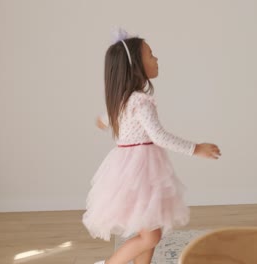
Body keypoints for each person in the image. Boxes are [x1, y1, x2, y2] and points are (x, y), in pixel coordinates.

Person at [82, 28, 221, 264]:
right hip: (141, 172)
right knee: (150, 236)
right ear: (135, 66)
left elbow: (106, 118)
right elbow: (159, 137)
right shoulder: (140, 102)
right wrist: (196, 148)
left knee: (148, 231)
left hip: (128, 169)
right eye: (151, 55)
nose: (156, 59)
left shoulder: (121, 99)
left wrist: (101, 121)